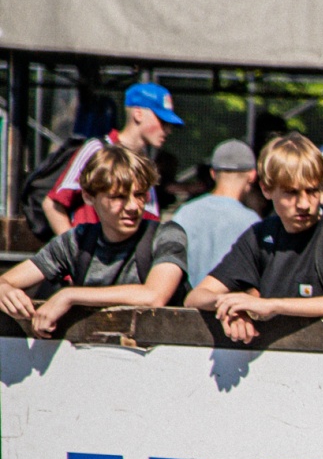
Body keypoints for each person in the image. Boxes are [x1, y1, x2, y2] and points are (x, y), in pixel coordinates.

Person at [184, 135, 323, 346]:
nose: (304, 204)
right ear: (266, 189)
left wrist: (272, 305)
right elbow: (196, 297)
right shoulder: (259, 236)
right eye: (291, 193)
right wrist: (233, 306)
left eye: (312, 191)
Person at [0, 144, 186, 337]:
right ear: (88, 197)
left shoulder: (167, 235)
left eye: (139, 195)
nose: (132, 206)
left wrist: (69, 295)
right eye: (118, 197)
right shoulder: (76, 240)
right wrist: (4, 290)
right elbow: (7, 280)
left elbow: (154, 296)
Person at [42, 82, 182, 235]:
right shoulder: (97, 149)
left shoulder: (145, 165)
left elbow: (150, 222)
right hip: (89, 248)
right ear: (138, 114)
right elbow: (52, 204)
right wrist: (72, 248)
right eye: (162, 121)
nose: (168, 130)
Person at [169, 140, 262, 291]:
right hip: (229, 304)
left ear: (213, 173)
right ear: (252, 175)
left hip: (187, 303)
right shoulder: (253, 223)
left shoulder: (184, 212)